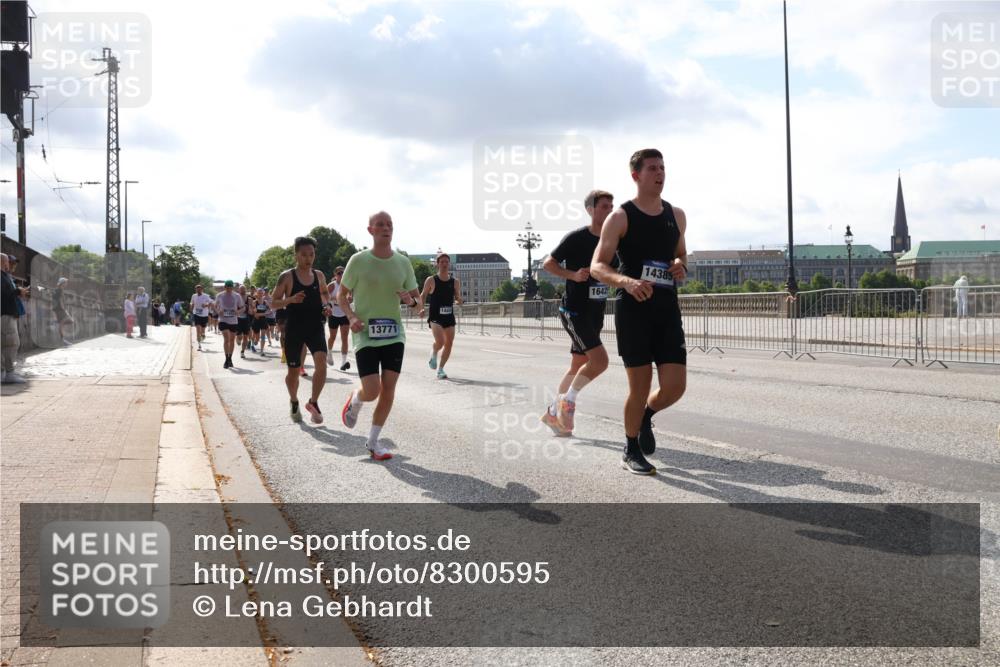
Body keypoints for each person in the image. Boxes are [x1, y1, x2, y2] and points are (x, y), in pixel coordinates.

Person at [591, 148, 688, 475]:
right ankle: (631, 448)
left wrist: (679, 265)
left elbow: (681, 255)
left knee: (675, 386)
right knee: (640, 385)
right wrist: (626, 282)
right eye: (652, 168)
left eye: (662, 167)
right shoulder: (620, 217)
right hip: (634, 311)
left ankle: (645, 415)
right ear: (636, 175)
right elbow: (597, 266)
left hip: (667, 310)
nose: (660, 173)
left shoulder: (676, 215)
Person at [338, 211, 419, 461]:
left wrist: (411, 300)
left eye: (390, 225)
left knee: (389, 389)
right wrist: (351, 317)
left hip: (394, 334)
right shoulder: (358, 260)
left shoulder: (403, 262)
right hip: (365, 333)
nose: (386, 228)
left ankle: (373, 443)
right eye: (381, 225)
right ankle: (356, 398)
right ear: (370, 230)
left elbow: (419, 305)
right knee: (372, 390)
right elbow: (341, 295)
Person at [540, 189, 615, 436]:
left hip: (596, 311)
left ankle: (552, 412)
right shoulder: (576, 238)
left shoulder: (613, 239)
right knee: (600, 361)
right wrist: (572, 275)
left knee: (577, 365)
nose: (610, 210)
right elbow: (548, 263)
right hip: (574, 311)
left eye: (611, 206)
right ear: (591, 210)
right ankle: (568, 402)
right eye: (604, 206)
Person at [270, 236, 332, 424]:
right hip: (294, 327)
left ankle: (313, 402)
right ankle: (294, 400)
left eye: (311, 254)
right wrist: (290, 300)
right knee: (293, 372)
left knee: (321, 364)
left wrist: (327, 304)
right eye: (304, 254)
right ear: (296, 255)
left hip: (315, 326)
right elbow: (273, 303)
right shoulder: (287, 276)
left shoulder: (319, 275)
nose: (308, 258)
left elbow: (324, 292)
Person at [418, 252, 462, 379]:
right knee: (440, 341)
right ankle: (434, 350)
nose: (444, 264)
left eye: (446, 262)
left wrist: (459, 300)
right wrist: (421, 309)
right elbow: (423, 295)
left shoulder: (455, 282)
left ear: (449, 264)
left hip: (449, 316)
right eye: (441, 262)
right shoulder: (431, 280)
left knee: (449, 343)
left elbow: (457, 296)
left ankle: (441, 369)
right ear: (437, 264)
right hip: (435, 316)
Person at [1, 254, 26, 384]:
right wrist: (17, 291)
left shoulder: (6, 276)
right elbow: (4, 294)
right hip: (5, 315)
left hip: (8, 314)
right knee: (10, 343)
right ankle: (8, 373)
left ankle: (4, 373)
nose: (10, 265)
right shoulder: (2, 276)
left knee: (7, 343)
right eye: (8, 262)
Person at [326, 267, 352, 371]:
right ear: (335, 274)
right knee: (332, 336)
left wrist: (349, 299)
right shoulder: (332, 286)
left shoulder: (347, 285)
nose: (341, 275)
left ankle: (343, 362)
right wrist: (334, 299)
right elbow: (324, 298)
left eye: (343, 273)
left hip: (344, 312)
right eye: (339, 273)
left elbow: (350, 297)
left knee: (344, 337)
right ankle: (329, 352)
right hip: (334, 313)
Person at [215, 280, 244, 368]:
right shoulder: (219, 295)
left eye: (230, 287)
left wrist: (238, 312)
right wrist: (218, 311)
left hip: (233, 320)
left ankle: (230, 358)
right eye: (227, 287)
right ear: (225, 287)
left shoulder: (237, 296)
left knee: (231, 340)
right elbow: (214, 306)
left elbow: (243, 307)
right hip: (223, 320)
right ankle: (226, 359)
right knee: (226, 339)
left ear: (233, 287)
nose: (229, 288)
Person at [190, 284, 214, 352]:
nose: (198, 290)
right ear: (196, 290)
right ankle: (199, 345)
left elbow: (211, 302)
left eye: (200, 289)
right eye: (197, 289)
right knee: (198, 330)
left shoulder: (206, 296)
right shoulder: (194, 296)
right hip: (196, 314)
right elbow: (191, 302)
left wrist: (206, 305)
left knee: (202, 331)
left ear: (202, 289)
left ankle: (203, 334)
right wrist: (191, 305)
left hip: (204, 315)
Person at [52, 277, 73, 345]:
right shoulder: (59, 290)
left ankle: (58, 324)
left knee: (68, 321)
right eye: (65, 282)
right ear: (62, 283)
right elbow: (60, 300)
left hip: (58, 309)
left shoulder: (57, 290)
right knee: (68, 320)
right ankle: (63, 340)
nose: (66, 284)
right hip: (60, 309)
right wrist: (63, 308)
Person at [236, 284, 252, 358]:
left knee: (245, 336)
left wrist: (251, 310)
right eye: (241, 289)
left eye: (244, 289)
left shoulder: (249, 298)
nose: (243, 290)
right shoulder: (236, 297)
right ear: (239, 290)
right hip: (237, 319)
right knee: (240, 336)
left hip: (246, 319)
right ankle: (238, 338)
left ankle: (242, 352)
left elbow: (251, 309)